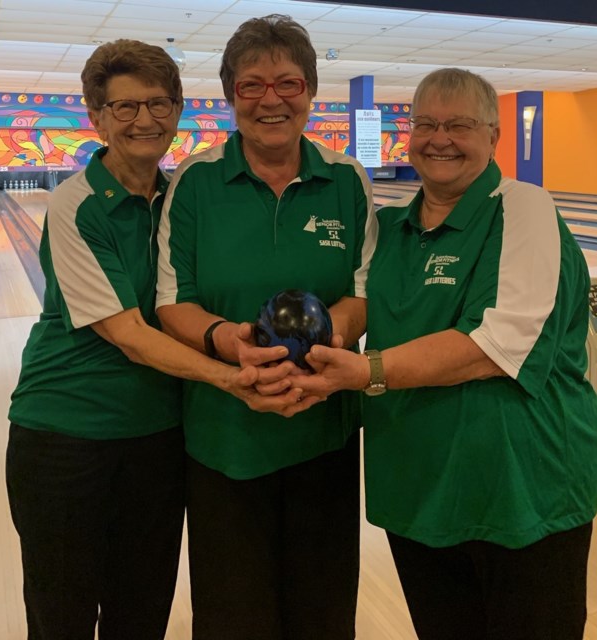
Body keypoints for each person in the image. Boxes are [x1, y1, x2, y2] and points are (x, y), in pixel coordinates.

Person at [5, 39, 308, 640]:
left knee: (141, 610)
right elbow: (132, 336)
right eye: (124, 108)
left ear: (176, 112)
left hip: (159, 438)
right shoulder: (76, 203)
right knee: (61, 614)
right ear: (96, 117)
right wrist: (233, 379)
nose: (145, 120)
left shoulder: (180, 198)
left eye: (158, 104)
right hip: (67, 435)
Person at [291, 68, 597, 640]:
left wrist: (365, 370)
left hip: (521, 492)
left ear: (493, 136)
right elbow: (357, 303)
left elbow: (493, 345)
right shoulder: (388, 227)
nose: (440, 138)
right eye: (426, 123)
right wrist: (320, 338)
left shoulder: (523, 208)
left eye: (459, 124)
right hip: (418, 487)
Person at [155, 14, 378, 640]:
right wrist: (227, 343)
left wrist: (331, 334)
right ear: (230, 95)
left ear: (309, 91)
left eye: (288, 82)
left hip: (324, 430)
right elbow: (174, 301)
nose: (271, 99)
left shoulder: (346, 179)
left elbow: (364, 293)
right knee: (233, 615)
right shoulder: (196, 182)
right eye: (251, 84)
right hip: (225, 437)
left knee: (324, 610)